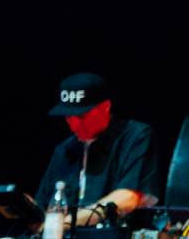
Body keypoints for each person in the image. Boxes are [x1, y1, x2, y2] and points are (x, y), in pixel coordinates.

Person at [35, 72, 162, 230]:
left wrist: (64, 223)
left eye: (82, 117)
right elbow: (42, 206)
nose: (75, 126)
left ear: (106, 106)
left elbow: (128, 198)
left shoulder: (135, 136)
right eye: (68, 117)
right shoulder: (64, 150)